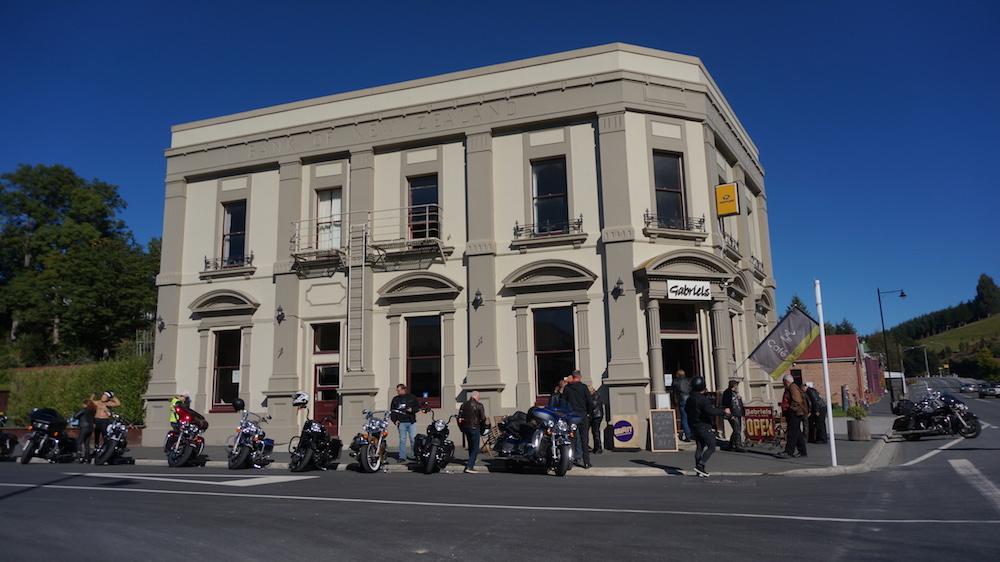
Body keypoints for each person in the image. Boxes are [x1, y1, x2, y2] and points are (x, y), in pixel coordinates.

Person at [685, 376, 731, 477]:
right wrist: (723, 411)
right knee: (712, 446)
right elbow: (710, 411)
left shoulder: (690, 398)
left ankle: (699, 470)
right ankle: (700, 465)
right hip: (703, 425)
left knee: (699, 447)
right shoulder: (703, 399)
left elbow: (686, 410)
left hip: (694, 425)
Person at [562, 370, 594, 469]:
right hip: (583, 415)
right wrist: (589, 412)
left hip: (571, 416)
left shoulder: (567, 388)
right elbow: (589, 401)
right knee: (584, 439)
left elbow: (563, 402)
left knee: (572, 439)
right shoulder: (583, 387)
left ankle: (569, 461)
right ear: (579, 377)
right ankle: (586, 462)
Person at [775, 374, 807, 459]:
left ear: (786, 381)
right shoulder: (790, 388)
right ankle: (802, 451)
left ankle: (789, 451)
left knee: (792, 433)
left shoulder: (793, 387)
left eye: (783, 382)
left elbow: (797, 400)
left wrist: (791, 409)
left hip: (795, 413)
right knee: (797, 433)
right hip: (793, 413)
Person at [458, 390, 488, 474]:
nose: (479, 399)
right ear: (476, 397)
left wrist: (461, 427)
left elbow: (459, 417)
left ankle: (472, 459)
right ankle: (469, 466)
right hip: (475, 427)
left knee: (470, 445)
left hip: (466, 428)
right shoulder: (479, 405)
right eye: (479, 397)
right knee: (475, 448)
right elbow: (482, 418)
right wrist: (483, 428)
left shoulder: (463, 405)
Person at [390, 384, 419, 462]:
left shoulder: (412, 398)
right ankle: (402, 456)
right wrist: (394, 420)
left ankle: (414, 455)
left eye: (399, 390)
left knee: (413, 439)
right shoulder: (395, 399)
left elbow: (417, 407)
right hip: (401, 422)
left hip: (411, 421)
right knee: (402, 440)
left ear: (404, 389)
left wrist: (412, 410)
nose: (397, 392)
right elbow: (392, 411)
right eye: (397, 390)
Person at [721, 380, 746, 453]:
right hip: (733, 414)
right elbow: (726, 404)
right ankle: (737, 445)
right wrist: (730, 415)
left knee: (738, 429)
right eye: (736, 385)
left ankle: (732, 445)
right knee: (736, 429)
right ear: (733, 386)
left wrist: (743, 412)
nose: (737, 386)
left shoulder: (736, 393)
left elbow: (740, 403)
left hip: (738, 413)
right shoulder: (727, 393)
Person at [73, 398, 97, 463]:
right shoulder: (92, 410)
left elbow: (76, 415)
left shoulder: (84, 410)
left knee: (79, 442)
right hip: (90, 427)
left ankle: (78, 457)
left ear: (85, 404)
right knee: (87, 443)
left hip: (84, 427)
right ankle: (87, 457)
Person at [672, 370, 692, 442]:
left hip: (682, 400)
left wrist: (674, 402)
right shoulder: (689, 380)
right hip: (690, 400)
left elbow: (673, 392)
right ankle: (694, 434)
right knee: (692, 417)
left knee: (684, 418)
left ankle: (688, 436)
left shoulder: (676, 382)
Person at [588, 385, 605, 454]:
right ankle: (596, 447)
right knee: (594, 432)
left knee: (595, 432)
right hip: (594, 415)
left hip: (596, 415)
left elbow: (593, 404)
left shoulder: (596, 395)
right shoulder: (595, 395)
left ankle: (598, 447)